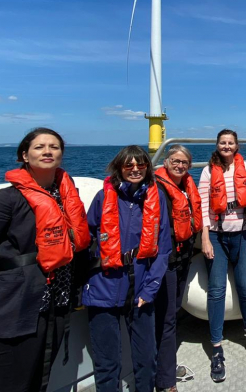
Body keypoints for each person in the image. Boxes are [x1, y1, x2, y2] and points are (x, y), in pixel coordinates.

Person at [0, 127, 91, 392]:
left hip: (56, 303)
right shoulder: (8, 199)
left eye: (54, 147)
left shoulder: (68, 196)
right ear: (24, 155)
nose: (47, 151)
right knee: (16, 385)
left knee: (41, 379)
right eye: (39, 147)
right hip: (16, 305)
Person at [82, 146, 172, 392]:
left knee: (146, 357)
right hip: (103, 286)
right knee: (106, 362)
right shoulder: (103, 198)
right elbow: (86, 238)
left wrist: (149, 290)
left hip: (140, 287)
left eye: (141, 165)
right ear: (119, 168)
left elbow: (163, 248)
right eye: (129, 165)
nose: (135, 169)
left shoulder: (157, 198)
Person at [198, 129, 246, 383]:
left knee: (245, 287)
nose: (226, 146)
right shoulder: (207, 171)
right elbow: (204, 205)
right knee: (216, 291)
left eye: (230, 143)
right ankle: (216, 347)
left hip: (245, 234)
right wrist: (205, 237)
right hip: (216, 235)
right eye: (222, 143)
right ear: (217, 145)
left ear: (237, 146)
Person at [152, 145, 202, 392]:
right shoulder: (157, 187)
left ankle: (162, 365)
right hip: (166, 261)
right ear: (166, 161)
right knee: (167, 317)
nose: (180, 165)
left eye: (184, 162)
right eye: (175, 160)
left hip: (183, 257)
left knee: (171, 312)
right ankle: (165, 380)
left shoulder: (186, 186)